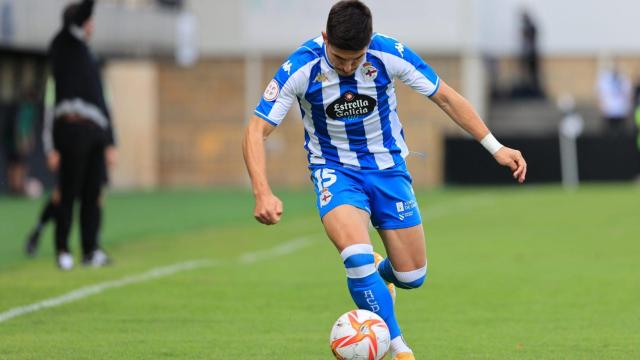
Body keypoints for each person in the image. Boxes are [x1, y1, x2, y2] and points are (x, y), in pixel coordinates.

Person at [241, 1, 527, 359]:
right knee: (355, 257)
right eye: (340, 57)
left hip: (388, 171)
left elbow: (446, 97)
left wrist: (495, 147)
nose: (347, 66)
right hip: (335, 171)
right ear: (326, 37)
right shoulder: (301, 67)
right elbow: (256, 129)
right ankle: (398, 347)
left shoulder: (388, 53)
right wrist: (262, 192)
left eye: (355, 59)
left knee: (411, 276)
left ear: (369, 42)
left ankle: (379, 274)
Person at [47, 0, 117, 270]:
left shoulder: (89, 55)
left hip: (95, 131)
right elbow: (84, 11)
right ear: (78, 22)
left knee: (93, 193)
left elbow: (102, 102)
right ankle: (63, 248)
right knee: (69, 191)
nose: (93, 24)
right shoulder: (64, 45)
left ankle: (90, 249)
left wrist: (111, 141)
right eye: (88, 20)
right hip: (72, 130)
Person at [597, 61, 632, 136]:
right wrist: (602, 108)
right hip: (609, 111)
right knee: (609, 134)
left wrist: (627, 108)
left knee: (621, 133)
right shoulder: (605, 79)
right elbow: (601, 94)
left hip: (621, 111)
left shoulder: (623, 79)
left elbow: (628, 94)